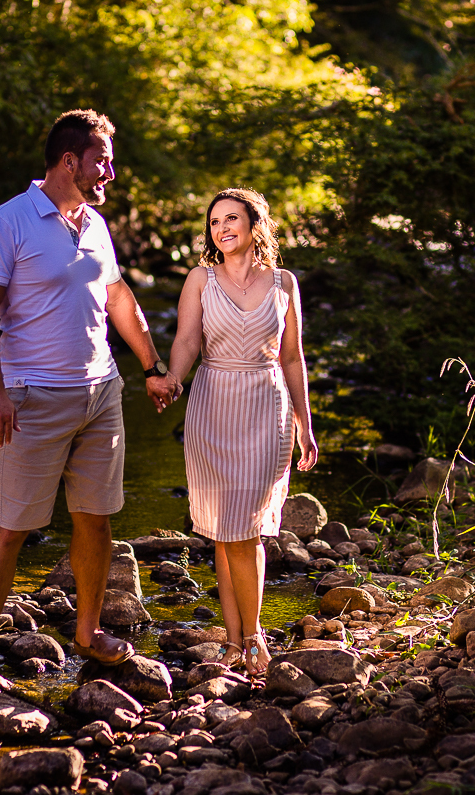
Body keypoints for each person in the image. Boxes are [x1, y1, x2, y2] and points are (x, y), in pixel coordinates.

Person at [0, 109, 182, 701]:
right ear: (69, 161)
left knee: (97, 519)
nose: (110, 169)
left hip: (100, 394)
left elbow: (116, 297)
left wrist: (152, 367)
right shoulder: (7, 222)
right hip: (30, 398)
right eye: (102, 159)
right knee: (9, 528)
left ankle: (87, 629)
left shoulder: (94, 223)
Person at [167, 188, 318, 678]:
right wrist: (171, 379)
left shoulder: (284, 282)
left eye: (232, 218)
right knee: (224, 531)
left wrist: (305, 425)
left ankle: (254, 639)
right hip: (212, 405)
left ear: (256, 226)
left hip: (267, 407)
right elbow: (187, 339)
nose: (222, 228)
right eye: (214, 222)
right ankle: (234, 645)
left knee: (247, 529)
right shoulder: (199, 279)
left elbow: (293, 357)